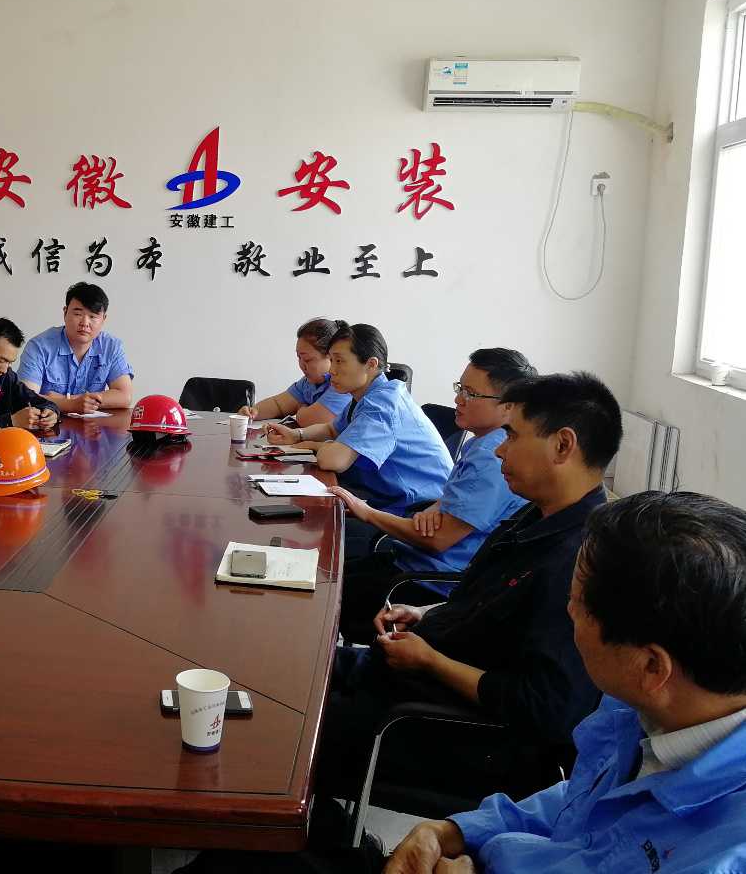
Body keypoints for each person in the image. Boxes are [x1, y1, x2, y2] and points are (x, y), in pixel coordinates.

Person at [386, 491, 746, 874]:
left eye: (579, 604)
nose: (568, 610)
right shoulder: (639, 711)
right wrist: (457, 831)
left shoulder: (723, 854)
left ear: (652, 667)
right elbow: (582, 802)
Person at [319, 372, 620, 799]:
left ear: (562, 445)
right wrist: (424, 612)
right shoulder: (535, 516)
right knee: (292, 669)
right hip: (407, 677)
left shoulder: (578, 563)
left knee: (288, 724)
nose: (499, 449)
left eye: (512, 436)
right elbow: (482, 600)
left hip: (444, 726)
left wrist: (430, 662)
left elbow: (544, 707)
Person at [333, 348, 535, 641]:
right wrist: (436, 507)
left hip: (431, 584)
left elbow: (438, 539)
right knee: (328, 574)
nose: (458, 400)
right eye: (460, 388)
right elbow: (455, 503)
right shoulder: (483, 444)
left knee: (324, 592)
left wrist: (367, 512)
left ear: (508, 407)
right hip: (413, 561)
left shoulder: (492, 457)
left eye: (471, 394)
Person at [266, 322, 451, 555]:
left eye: (339, 361)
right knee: (306, 518)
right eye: (331, 360)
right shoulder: (366, 395)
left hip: (416, 516)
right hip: (385, 500)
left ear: (370, 364)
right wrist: (296, 435)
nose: (331, 370)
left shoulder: (382, 404)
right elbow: (332, 429)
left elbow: (333, 461)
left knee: (313, 531)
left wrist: (312, 444)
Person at [18, 282, 133, 414]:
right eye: (78, 314)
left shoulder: (111, 347)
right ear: (65, 313)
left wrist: (69, 400)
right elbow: (25, 399)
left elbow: (125, 396)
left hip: (93, 426)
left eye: (93, 316)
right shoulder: (39, 347)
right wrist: (72, 405)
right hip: (47, 423)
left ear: (103, 319)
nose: (85, 323)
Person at [238, 318, 350, 427]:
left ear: (331, 357)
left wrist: (300, 408)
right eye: (299, 357)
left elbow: (310, 421)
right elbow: (278, 404)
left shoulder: (343, 384)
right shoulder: (307, 383)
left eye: (307, 359)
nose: (301, 365)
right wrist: (254, 411)